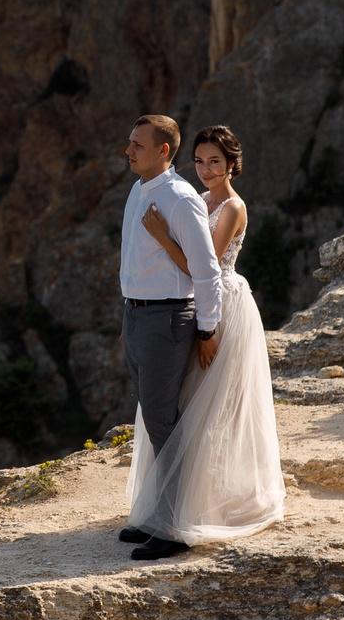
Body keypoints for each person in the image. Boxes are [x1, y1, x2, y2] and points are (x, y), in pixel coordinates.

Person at [116, 123, 285, 559]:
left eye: (215, 161)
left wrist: (162, 238)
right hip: (193, 304)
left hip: (221, 308)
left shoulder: (228, 207)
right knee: (183, 410)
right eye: (201, 161)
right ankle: (162, 512)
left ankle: (178, 520)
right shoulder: (195, 198)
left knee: (204, 415)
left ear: (232, 164)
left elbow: (201, 266)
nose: (206, 169)